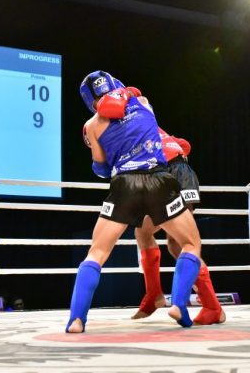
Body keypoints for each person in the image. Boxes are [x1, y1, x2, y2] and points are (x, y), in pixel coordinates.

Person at [67, 70, 204, 333]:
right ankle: (178, 304)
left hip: (124, 186)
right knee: (190, 243)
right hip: (158, 181)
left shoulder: (92, 125)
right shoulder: (141, 102)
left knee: (97, 252)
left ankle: (76, 319)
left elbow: (101, 169)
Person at [127, 103, 225, 325]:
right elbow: (184, 145)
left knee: (181, 242)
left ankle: (212, 306)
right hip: (164, 174)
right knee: (144, 232)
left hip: (172, 173)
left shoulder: (137, 121)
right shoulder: (144, 126)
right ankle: (155, 295)